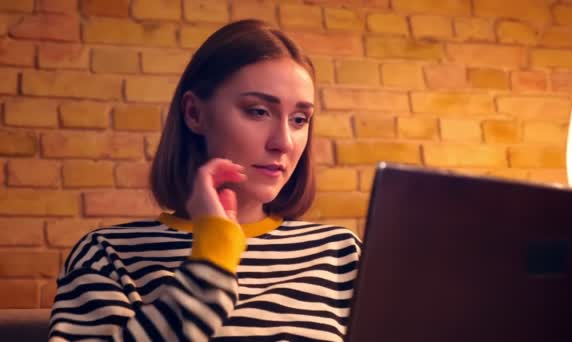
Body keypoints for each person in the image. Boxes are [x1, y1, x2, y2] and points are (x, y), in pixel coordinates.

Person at [49, 19, 361, 341]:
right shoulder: (107, 255)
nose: (284, 141)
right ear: (194, 114)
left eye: (299, 119)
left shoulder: (342, 253)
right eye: (258, 111)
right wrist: (213, 256)